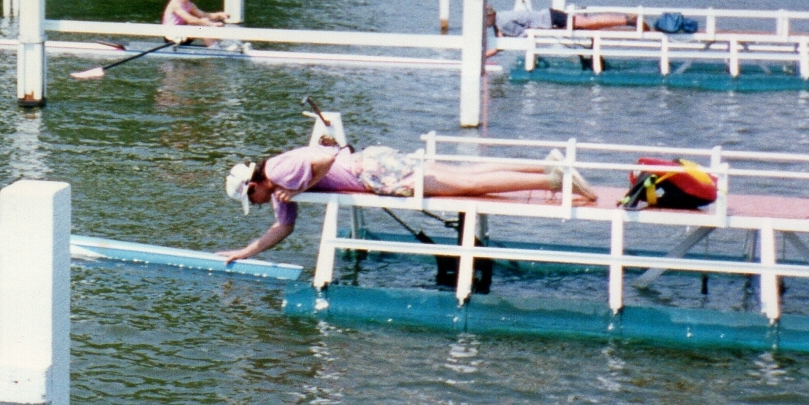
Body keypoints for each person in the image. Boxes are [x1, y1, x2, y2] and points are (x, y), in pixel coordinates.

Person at [213, 143, 594, 263]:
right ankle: (545, 167)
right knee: (466, 175)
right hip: (377, 168)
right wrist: (245, 252)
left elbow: (326, 157)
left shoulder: (279, 170)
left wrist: (301, 187)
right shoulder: (279, 187)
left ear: (252, 186)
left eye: (254, 200)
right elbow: (285, 227)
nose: (260, 205)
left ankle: (553, 180)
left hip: (376, 173)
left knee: (468, 186)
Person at [487, 4, 637, 38]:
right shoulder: (501, 18)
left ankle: (626, 20)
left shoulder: (502, 23)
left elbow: (524, 35)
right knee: (589, 25)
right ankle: (625, 22)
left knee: (588, 22)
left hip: (551, 20)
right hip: (550, 16)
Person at [162, 0, 227, 45]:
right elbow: (190, 19)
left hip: (181, 34)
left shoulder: (190, 4)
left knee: (203, 23)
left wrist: (219, 15)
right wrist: (210, 24)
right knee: (201, 25)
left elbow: (204, 15)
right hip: (171, 37)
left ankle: (217, 45)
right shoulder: (175, 3)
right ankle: (214, 48)